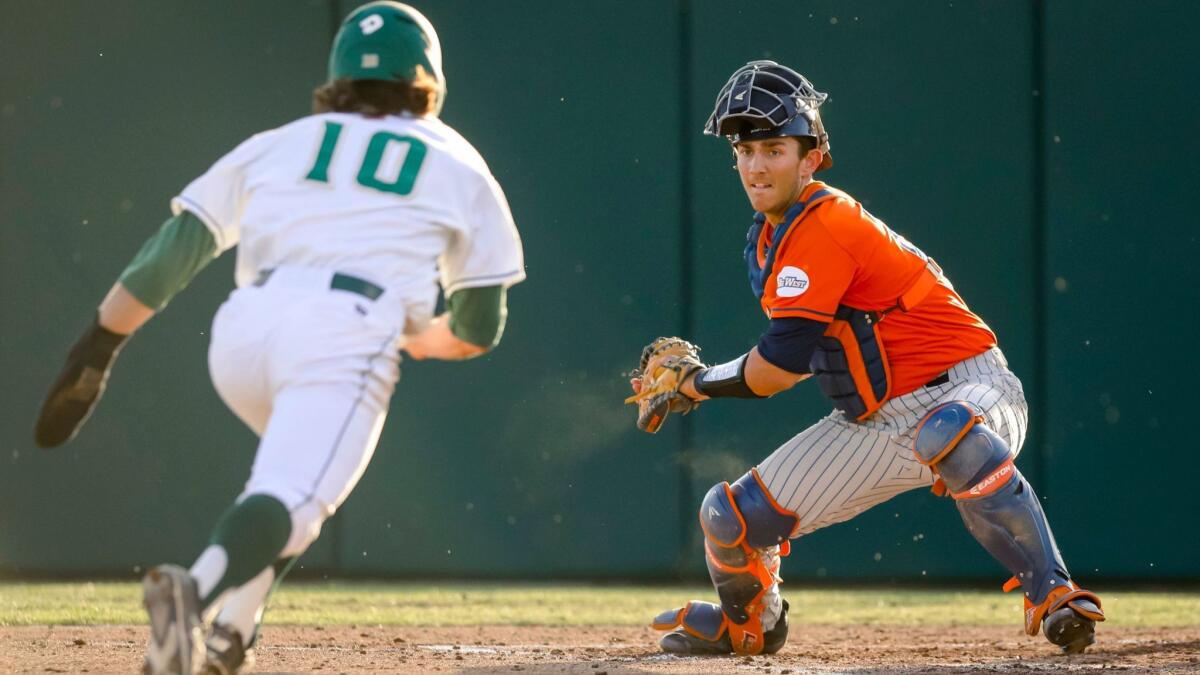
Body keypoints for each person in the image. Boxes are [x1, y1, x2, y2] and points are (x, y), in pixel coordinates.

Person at [33, 3, 525, 673]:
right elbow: (479, 326)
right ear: (428, 79)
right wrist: (422, 339)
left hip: (244, 329)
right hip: (345, 332)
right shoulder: (457, 159)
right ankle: (196, 593)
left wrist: (98, 344)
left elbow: (174, 252)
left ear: (337, 76)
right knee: (298, 491)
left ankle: (234, 633)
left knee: (290, 489)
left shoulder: (281, 140)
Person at [633, 60, 1104, 657]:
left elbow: (778, 369)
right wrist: (704, 382)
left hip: (970, 388)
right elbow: (798, 357)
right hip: (878, 417)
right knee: (730, 519)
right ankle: (750, 625)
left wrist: (697, 383)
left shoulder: (824, 223)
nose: (755, 164)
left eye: (774, 148)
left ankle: (1055, 591)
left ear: (811, 157)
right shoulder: (769, 235)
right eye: (746, 149)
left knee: (951, 436)